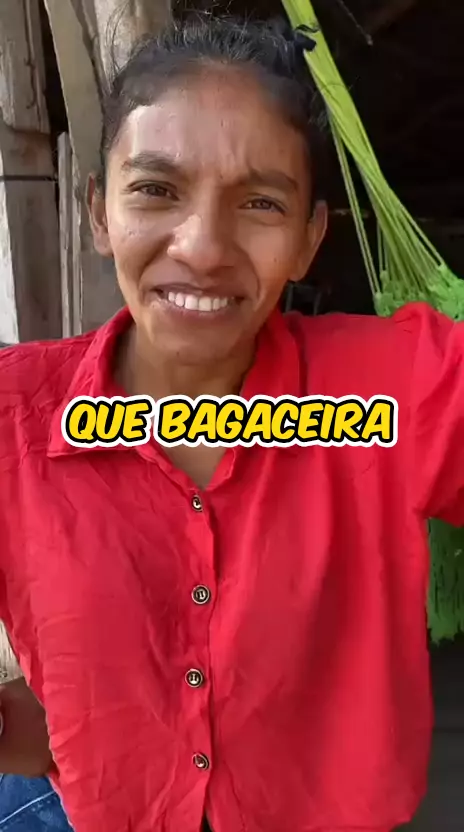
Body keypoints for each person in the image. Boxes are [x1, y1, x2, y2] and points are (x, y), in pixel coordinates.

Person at [0, 12, 464, 832]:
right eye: (156, 190)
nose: (204, 247)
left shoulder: (396, 391)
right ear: (99, 212)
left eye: (259, 202)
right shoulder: (14, 418)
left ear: (310, 239)